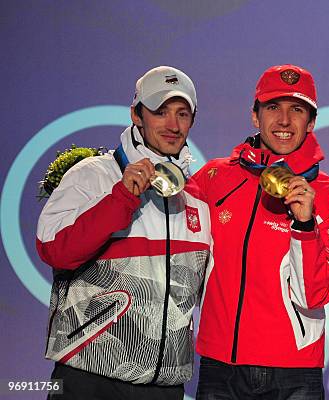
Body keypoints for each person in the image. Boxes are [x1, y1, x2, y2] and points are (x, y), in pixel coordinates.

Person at [36, 66, 211, 400]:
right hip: (89, 378)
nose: (173, 125)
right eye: (160, 112)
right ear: (136, 114)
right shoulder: (93, 175)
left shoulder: (196, 197)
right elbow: (54, 249)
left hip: (164, 385)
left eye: (182, 114)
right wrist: (122, 198)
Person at [192, 64, 329, 400]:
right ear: (255, 117)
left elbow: (315, 295)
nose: (284, 121)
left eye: (296, 110)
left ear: (311, 122)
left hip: (294, 374)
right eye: (273, 108)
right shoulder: (215, 177)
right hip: (220, 366)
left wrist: (304, 224)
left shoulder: (328, 194)